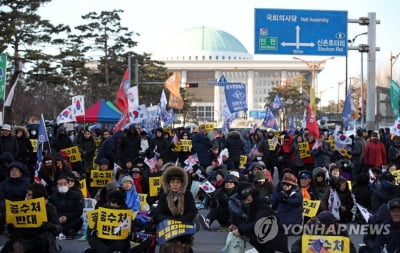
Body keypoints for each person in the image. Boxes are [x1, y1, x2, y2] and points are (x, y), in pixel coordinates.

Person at [1, 183, 62, 253]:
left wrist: (49, 225)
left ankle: (23, 247)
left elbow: (59, 228)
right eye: (27, 194)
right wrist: (11, 227)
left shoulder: (49, 208)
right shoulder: (21, 207)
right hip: (25, 235)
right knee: (15, 235)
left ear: (37, 196)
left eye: (29, 195)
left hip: (40, 236)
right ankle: (19, 247)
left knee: (45, 236)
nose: (27, 196)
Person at [228, 186, 289, 253]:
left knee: (248, 232)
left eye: (248, 199)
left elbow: (257, 224)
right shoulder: (253, 205)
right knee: (246, 232)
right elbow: (249, 221)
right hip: (267, 236)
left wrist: (240, 230)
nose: (246, 202)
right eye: (244, 200)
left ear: (254, 196)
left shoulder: (263, 207)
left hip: (276, 240)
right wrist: (237, 227)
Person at [153, 165, 197, 252]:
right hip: (167, 229)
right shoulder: (164, 196)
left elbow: (192, 211)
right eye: (172, 182)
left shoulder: (188, 194)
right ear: (168, 183)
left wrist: (182, 220)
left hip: (184, 228)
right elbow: (158, 213)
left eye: (178, 182)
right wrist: (169, 220)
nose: (175, 185)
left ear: (182, 183)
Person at [291, 211, 357, 253]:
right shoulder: (313, 230)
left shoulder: (341, 230)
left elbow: (350, 247)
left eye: (332, 225)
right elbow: (296, 245)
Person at [0, 161, 30, 233]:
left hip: (23, 208)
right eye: (12, 170)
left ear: (21, 173)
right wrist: (5, 206)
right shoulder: (3, 184)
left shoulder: (26, 184)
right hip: (7, 208)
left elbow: (30, 196)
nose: (14, 172)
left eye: (16, 170)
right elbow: (0, 197)